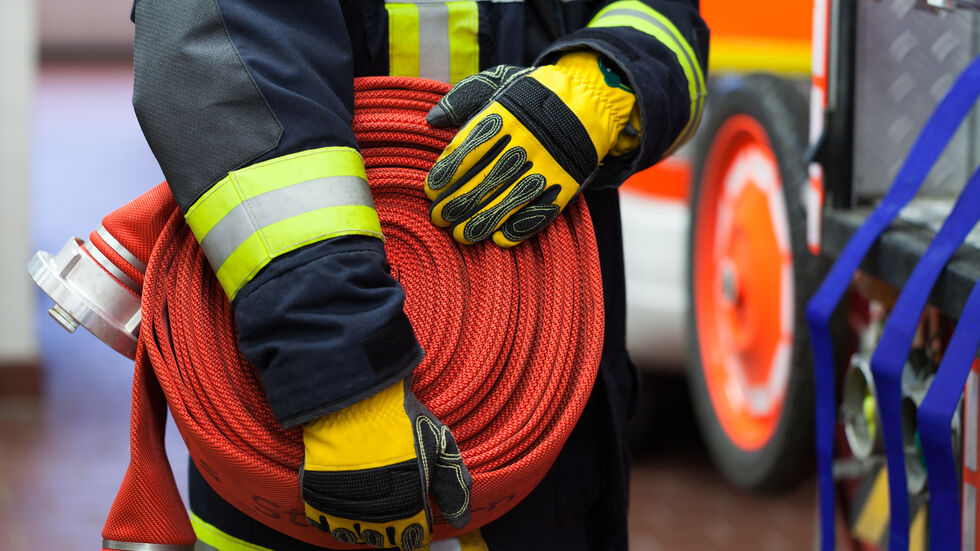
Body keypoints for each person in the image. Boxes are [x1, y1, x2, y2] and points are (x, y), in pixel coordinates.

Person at [127, 1, 708, 550]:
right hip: (303, 422)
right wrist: (342, 378)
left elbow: (664, 16)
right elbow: (223, 71)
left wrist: (602, 79)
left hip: (548, 447)